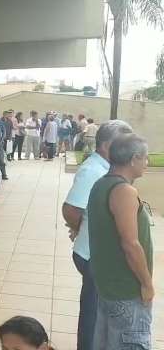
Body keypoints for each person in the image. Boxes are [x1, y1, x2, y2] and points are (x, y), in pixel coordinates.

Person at [62, 120, 133, 350]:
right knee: (92, 314)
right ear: (107, 144)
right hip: (93, 255)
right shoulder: (93, 171)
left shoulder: (105, 168)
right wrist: (84, 230)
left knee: (98, 311)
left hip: (97, 253)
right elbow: (71, 209)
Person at [89, 134, 154, 350]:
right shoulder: (123, 191)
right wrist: (146, 283)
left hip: (109, 287)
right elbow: (131, 244)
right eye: (145, 158)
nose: (147, 163)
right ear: (134, 158)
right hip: (126, 292)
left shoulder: (101, 184)